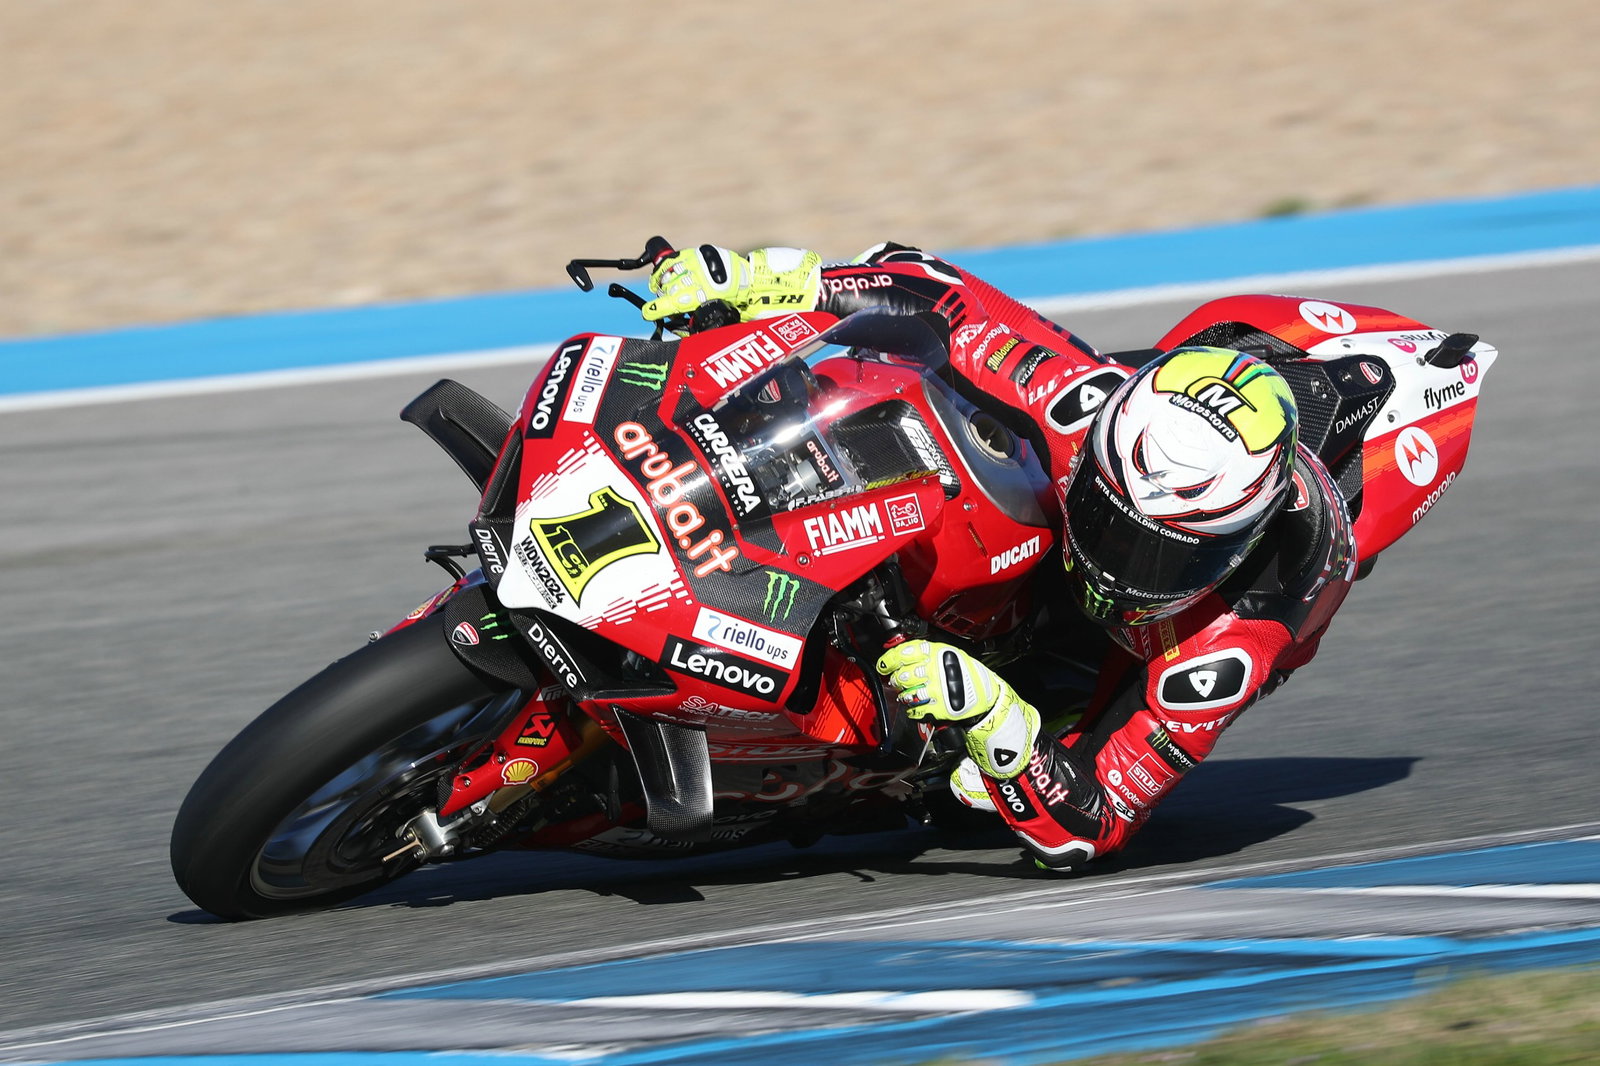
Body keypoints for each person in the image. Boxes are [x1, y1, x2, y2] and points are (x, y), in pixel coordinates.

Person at [641, 242, 1355, 871]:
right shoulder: (1082, 406)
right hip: (1117, 471)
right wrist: (772, 278)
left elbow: (1094, 826)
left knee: (976, 795)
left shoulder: (1232, 642)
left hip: (1148, 643)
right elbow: (930, 289)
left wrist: (994, 717)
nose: (1118, 563)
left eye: (1165, 555)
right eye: (1111, 521)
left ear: (1235, 544)